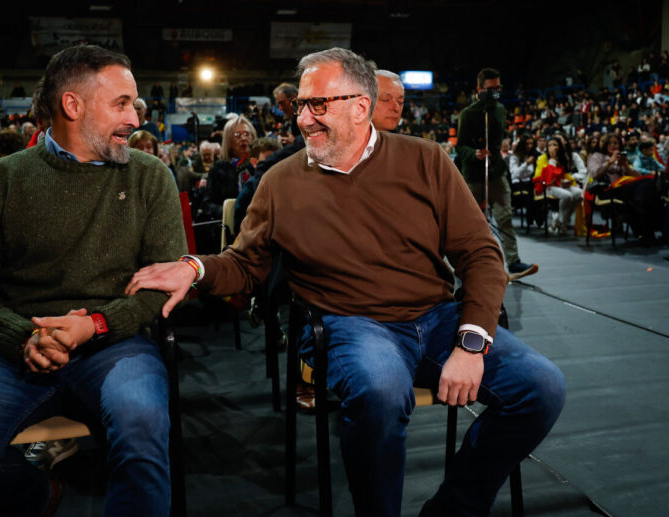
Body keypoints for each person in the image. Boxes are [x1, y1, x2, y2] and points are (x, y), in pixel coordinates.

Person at [126, 47, 566, 517]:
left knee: (542, 387)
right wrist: (195, 268)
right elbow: (245, 265)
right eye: (300, 105)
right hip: (352, 325)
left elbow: (480, 254)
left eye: (319, 104)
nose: (305, 119)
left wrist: (471, 343)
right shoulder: (279, 182)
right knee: (380, 391)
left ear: (361, 106)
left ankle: (454, 508)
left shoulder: (427, 159)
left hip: (438, 318)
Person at [0, 44, 187, 517]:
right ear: (73, 105)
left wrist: (94, 325)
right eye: (121, 103)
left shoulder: (151, 177)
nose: (134, 118)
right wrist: (23, 337)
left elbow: (161, 284)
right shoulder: (2, 179)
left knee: (143, 431)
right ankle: (36, 495)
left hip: (115, 344)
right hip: (18, 346)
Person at [456, 68, 538, 280]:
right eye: (490, 89)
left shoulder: (500, 110)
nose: (495, 92)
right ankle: (465, 262)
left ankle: (513, 261)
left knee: (505, 217)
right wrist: (474, 153)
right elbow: (460, 147)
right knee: (470, 222)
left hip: (496, 172)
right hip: (474, 175)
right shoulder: (467, 114)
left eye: (498, 88)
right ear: (479, 89)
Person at [532, 136, 584, 235]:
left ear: (559, 147)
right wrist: (551, 161)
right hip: (545, 186)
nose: (552, 147)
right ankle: (561, 222)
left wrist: (568, 180)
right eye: (550, 145)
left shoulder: (562, 157)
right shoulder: (542, 158)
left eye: (555, 145)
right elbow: (546, 178)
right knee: (567, 196)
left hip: (559, 184)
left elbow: (563, 174)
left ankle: (564, 219)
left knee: (579, 193)